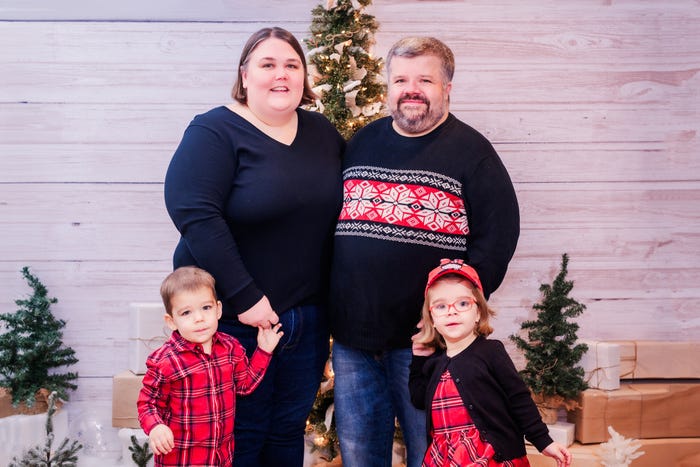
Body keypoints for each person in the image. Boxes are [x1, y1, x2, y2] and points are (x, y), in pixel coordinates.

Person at [329, 36, 520, 467]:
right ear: (388, 86)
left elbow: (497, 241)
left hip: (427, 346)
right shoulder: (361, 142)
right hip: (353, 340)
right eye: (400, 79)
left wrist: (450, 316)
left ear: (447, 87)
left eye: (425, 80)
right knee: (359, 454)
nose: (410, 89)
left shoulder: (473, 153)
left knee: (430, 452)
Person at [163, 27, 344, 466]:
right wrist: (246, 297)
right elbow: (194, 213)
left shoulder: (321, 132)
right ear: (245, 75)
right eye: (267, 65)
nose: (280, 75)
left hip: (304, 321)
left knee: (286, 432)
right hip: (232, 322)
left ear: (304, 77)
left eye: (291, 65)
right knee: (238, 436)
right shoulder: (214, 131)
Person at [409, 259, 571, 467]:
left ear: (478, 312)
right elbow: (418, 399)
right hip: (446, 458)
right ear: (431, 319)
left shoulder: (490, 351)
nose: (452, 311)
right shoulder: (435, 363)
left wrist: (543, 441)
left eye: (463, 303)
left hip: (491, 455)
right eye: (441, 306)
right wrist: (417, 360)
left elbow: (519, 398)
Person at [137, 266, 283, 466]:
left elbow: (244, 385)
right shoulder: (166, 361)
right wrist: (155, 427)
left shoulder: (230, 348)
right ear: (171, 321)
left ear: (218, 309)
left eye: (206, 308)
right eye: (187, 312)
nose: (199, 318)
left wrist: (264, 351)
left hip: (220, 458)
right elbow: (148, 403)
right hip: (181, 458)